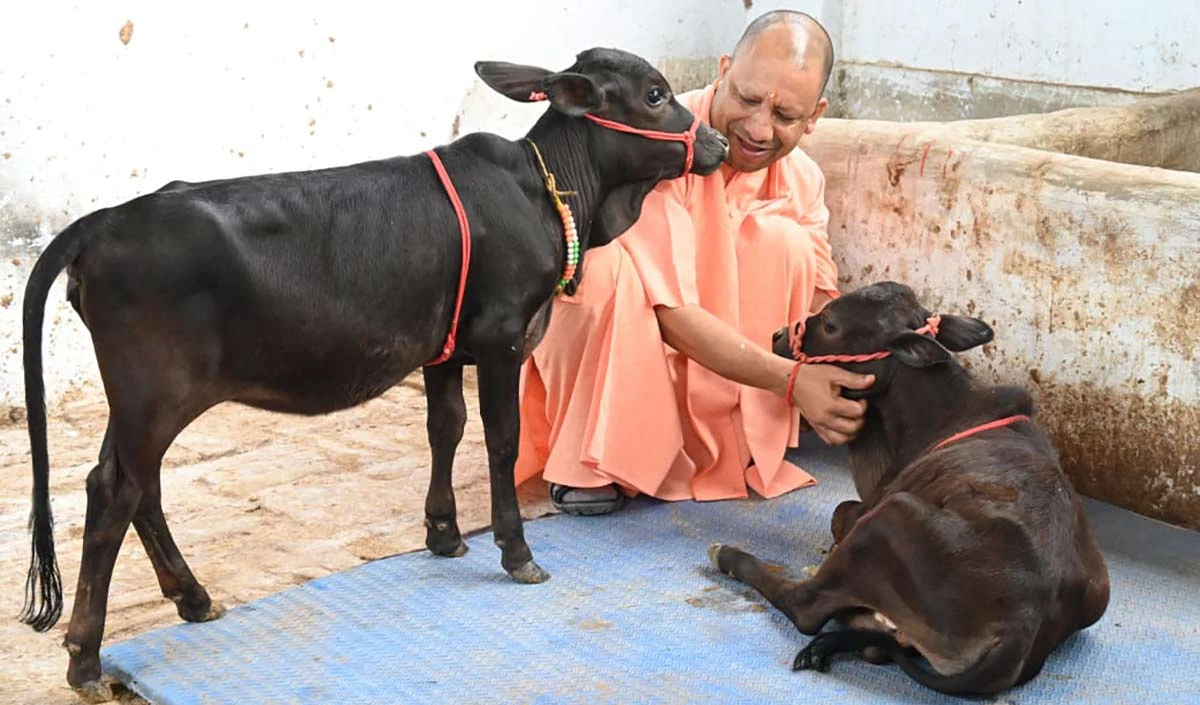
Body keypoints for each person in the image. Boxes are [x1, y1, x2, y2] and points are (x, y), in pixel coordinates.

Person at [515, 10, 875, 515]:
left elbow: (820, 297)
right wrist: (792, 382)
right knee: (603, 274)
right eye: (747, 99)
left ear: (814, 116)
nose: (757, 128)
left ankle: (728, 441)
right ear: (723, 70)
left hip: (731, 379)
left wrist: (863, 371)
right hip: (637, 350)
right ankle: (600, 456)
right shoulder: (653, 139)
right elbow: (670, 313)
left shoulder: (802, 178)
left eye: (785, 116)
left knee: (784, 241)